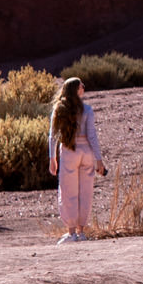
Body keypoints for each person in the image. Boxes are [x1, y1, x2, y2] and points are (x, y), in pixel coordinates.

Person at [48, 76, 105, 242]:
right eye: (81, 86)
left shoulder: (59, 109)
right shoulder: (87, 110)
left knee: (68, 192)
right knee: (85, 192)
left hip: (68, 151)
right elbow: (92, 136)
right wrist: (98, 159)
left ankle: (71, 232)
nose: (84, 88)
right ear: (76, 90)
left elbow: (52, 136)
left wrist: (52, 158)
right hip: (86, 152)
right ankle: (81, 232)